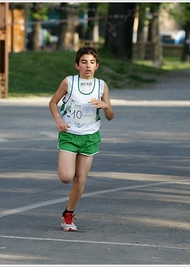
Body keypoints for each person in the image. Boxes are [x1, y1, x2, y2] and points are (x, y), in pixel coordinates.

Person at [49, 46, 114, 232]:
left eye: (92, 62)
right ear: (77, 65)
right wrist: (58, 119)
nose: (88, 66)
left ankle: (68, 214)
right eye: (84, 62)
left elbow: (110, 116)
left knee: (80, 180)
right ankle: (65, 162)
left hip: (90, 136)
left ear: (97, 66)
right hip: (69, 134)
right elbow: (53, 102)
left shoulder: (102, 86)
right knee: (66, 177)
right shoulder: (69, 82)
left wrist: (106, 106)